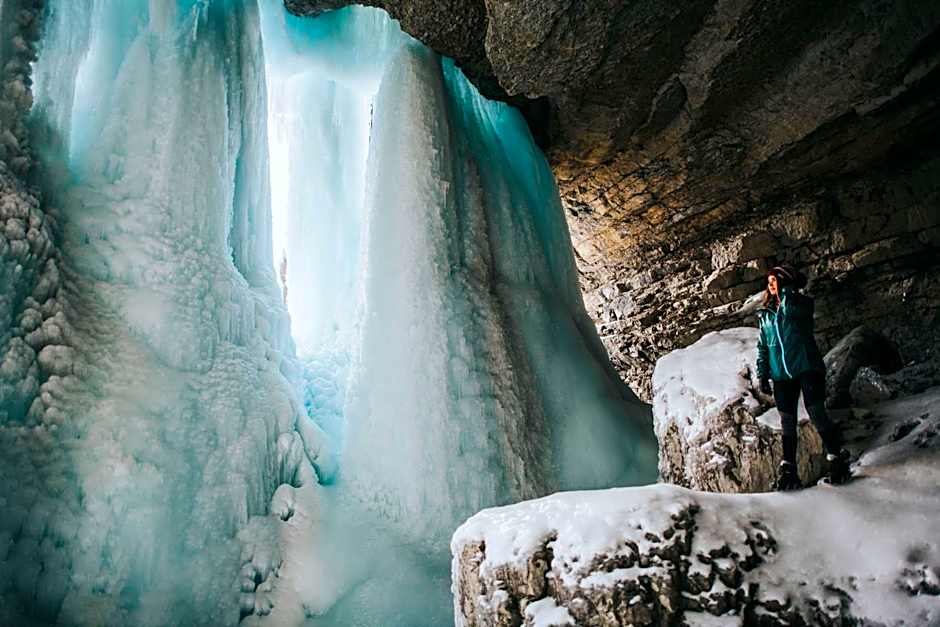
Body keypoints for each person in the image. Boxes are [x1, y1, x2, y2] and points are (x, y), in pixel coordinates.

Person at [756, 265, 850, 490]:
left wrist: (787, 293)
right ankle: (789, 469)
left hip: (807, 367)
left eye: (775, 280)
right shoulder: (766, 315)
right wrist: (763, 374)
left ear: (786, 282)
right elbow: (763, 347)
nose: (770, 285)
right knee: (787, 421)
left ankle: (836, 458)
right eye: (768, 281)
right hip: (781, 375)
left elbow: (793, 315)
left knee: (816, 412)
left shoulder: (801, 303)